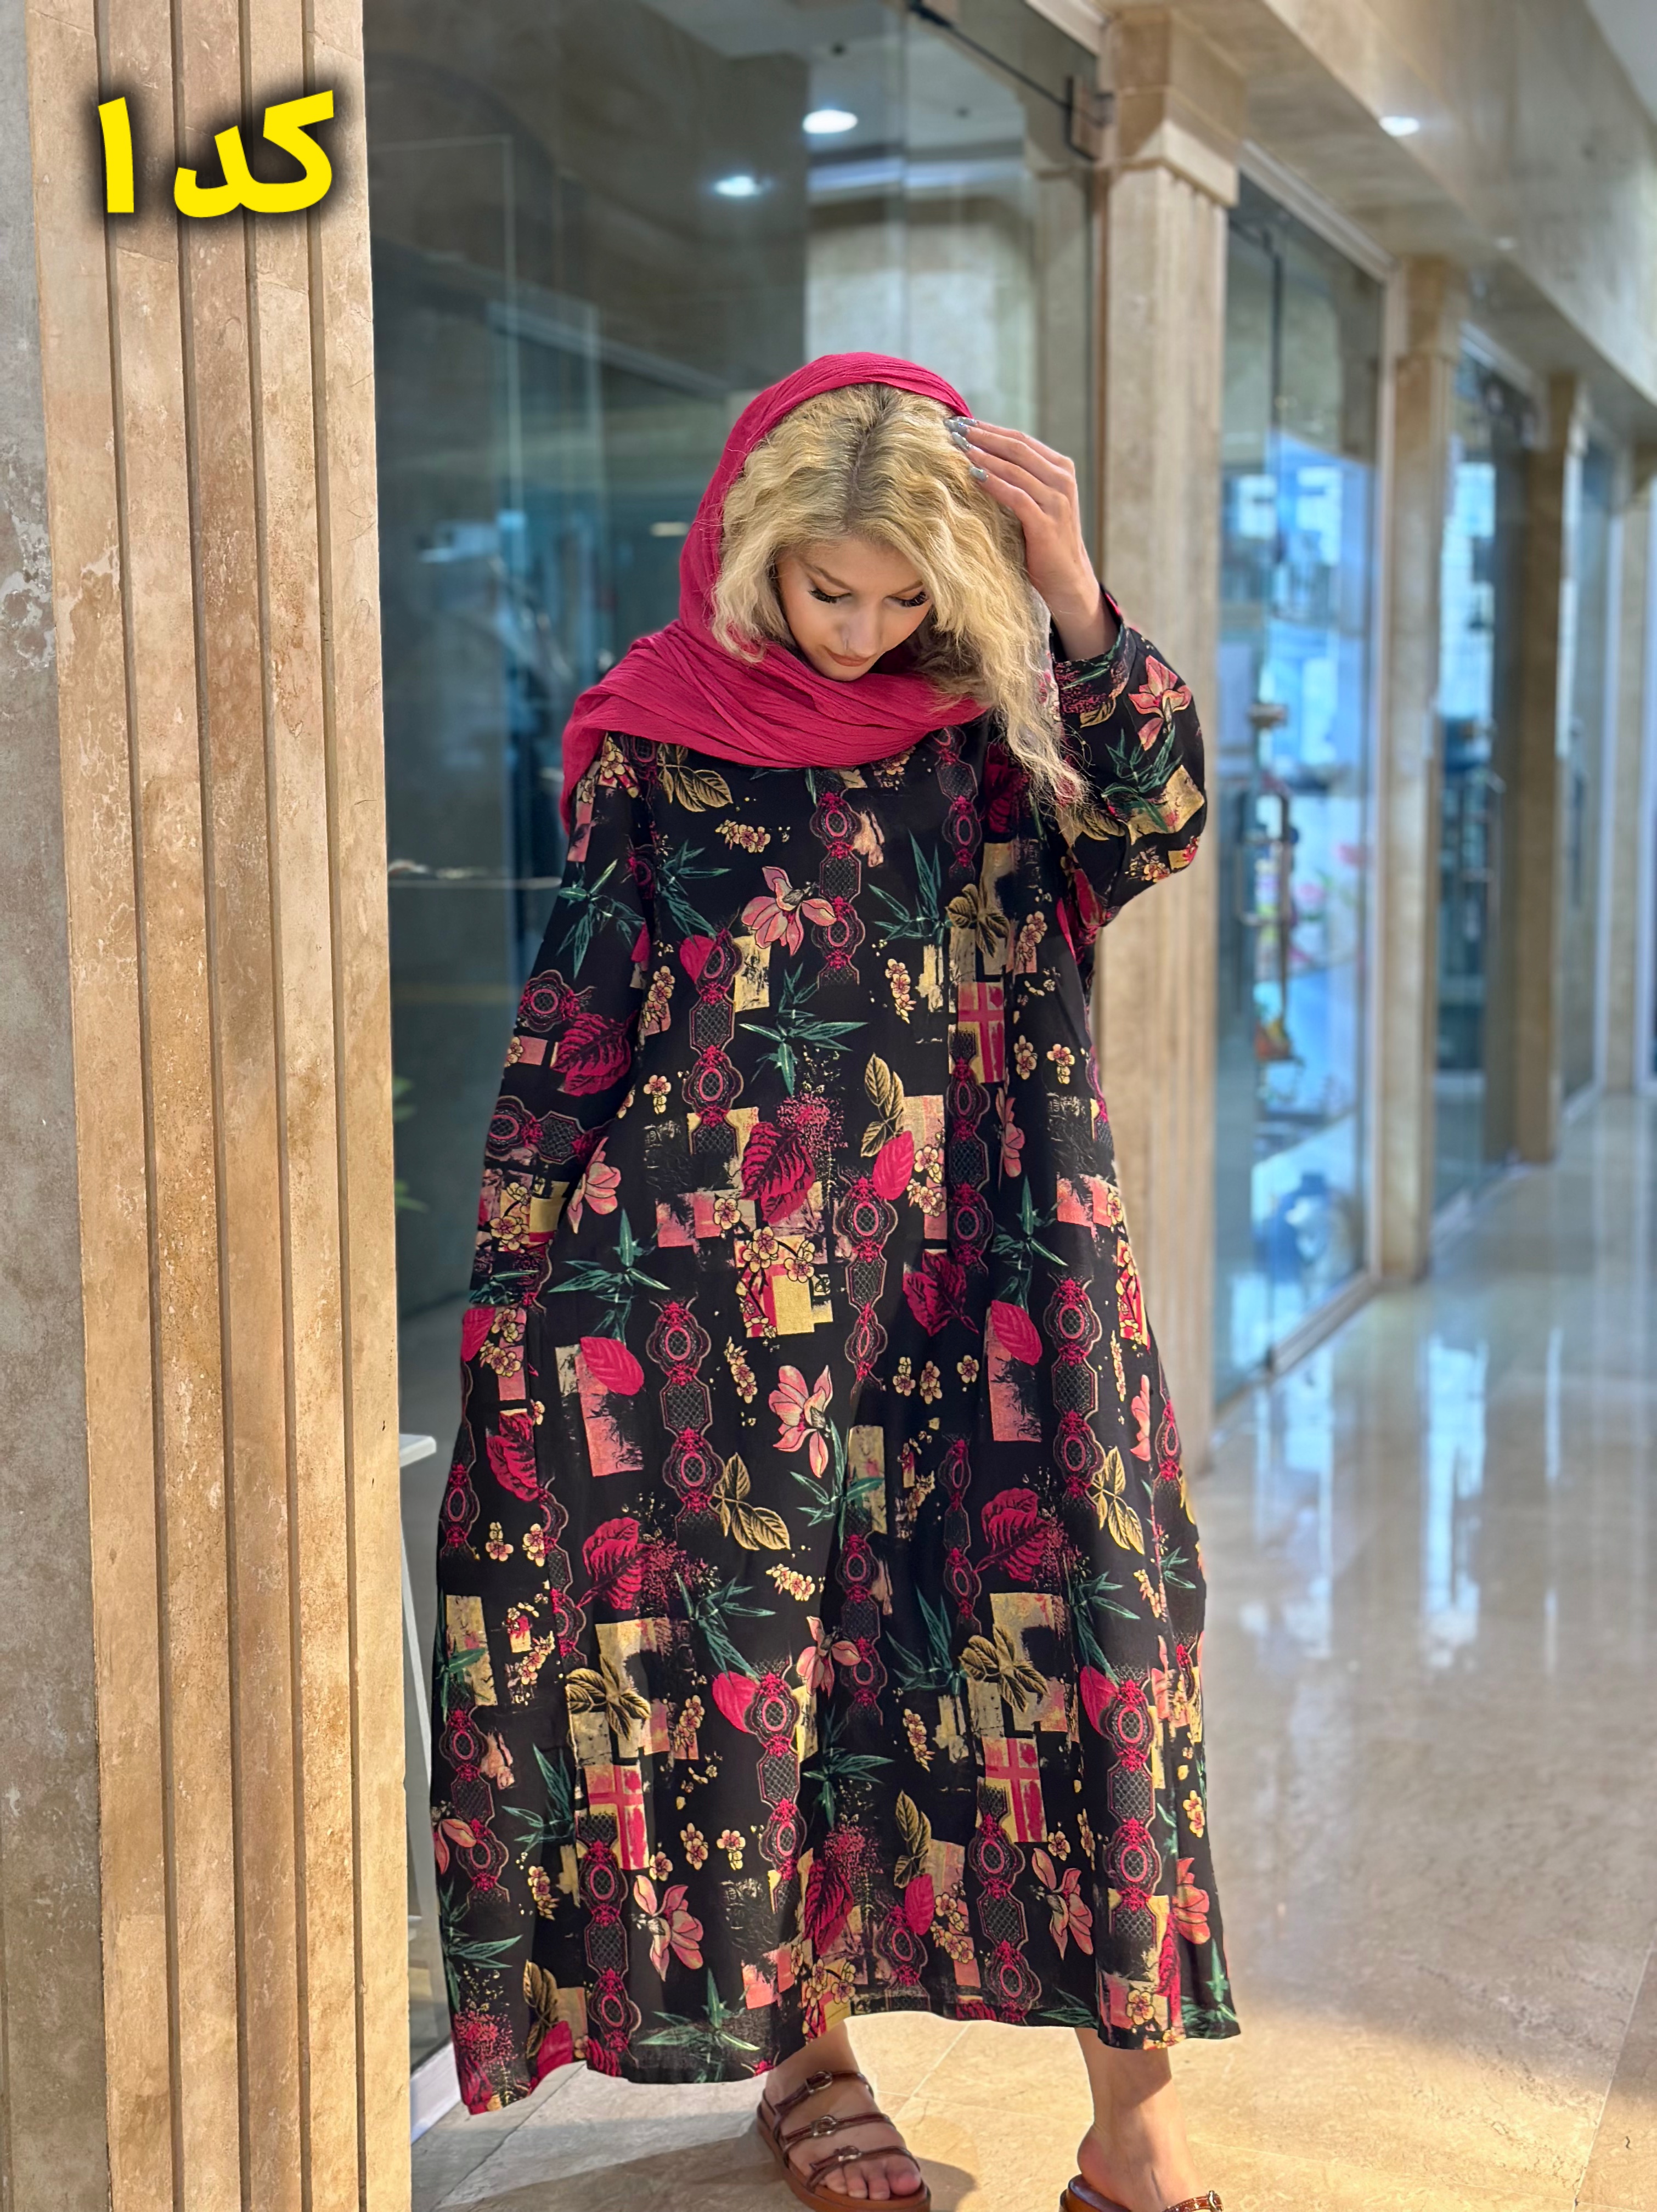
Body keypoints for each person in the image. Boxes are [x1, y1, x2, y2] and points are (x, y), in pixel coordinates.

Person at [430, 353, 1234, 2212]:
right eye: (824, 588)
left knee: (1087, 1643)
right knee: (765, 1658)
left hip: (1000, 1265)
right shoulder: (660, 735)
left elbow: (1158, 820)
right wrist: (516, 1292)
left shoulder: (1011, 733)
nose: (860, 632)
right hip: (717, 1292)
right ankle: (809, 2060)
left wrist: (1076, 597)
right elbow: (579, 1018)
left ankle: (1134, 2123)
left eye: (897, 595)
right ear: (755, 553)